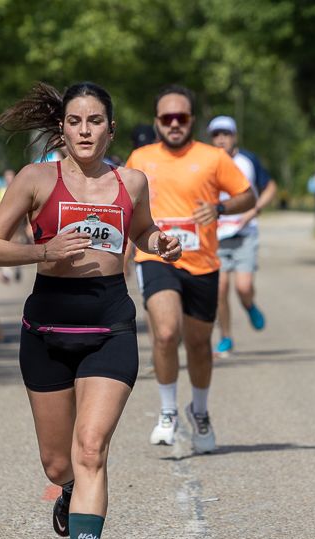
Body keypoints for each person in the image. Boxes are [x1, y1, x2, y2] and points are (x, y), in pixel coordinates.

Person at [0, 82, 181, 539]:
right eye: (75, 121)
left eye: (96, 121)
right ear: (63, 129)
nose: (86, 130)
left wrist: (159, 242)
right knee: (58, 461)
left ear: (111, 129)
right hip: (47, 326)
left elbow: (141, 231)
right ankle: (69, 491)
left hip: (110, 327)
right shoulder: (35, 179)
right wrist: (44, 249)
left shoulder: (130, 181)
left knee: (91, 448)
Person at [126, 85, 255, 453]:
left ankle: (199, 411)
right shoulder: (140, 157)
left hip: (202, 263)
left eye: (181, 117)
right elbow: (123, 204)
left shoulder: (213, 158)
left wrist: (220, 209)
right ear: (156, 122)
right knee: (166, 334)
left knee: (199, 345)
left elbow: (248, 194)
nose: (174, 124)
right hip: (157, 257)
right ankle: (167, 412)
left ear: (191, 120)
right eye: (166, 118)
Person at [207, 115, 277, 355]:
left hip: (245, 233)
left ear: (234, 136)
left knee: (243, 287)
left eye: (226, 134)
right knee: (220, 289)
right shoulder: (206, 162)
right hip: (217, 235)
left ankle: (249, 305)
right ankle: (226, 336)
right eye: (216, 134)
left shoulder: (248, 161)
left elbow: (270, 188)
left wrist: (254, 210)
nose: (221, 139)